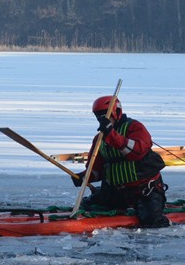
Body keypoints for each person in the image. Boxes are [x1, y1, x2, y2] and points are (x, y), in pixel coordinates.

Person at [71, 96, 170, 228]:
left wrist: (111, 134)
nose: (101, 118)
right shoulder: (99, 139)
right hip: (116, 191)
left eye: (104, 114)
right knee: (89, 205)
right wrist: (83, 177)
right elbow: (98, 170)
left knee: (151, 220)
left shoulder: (135, 128)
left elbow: (136, 152)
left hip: (143, 191)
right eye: (98, 116)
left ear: (115, 112)